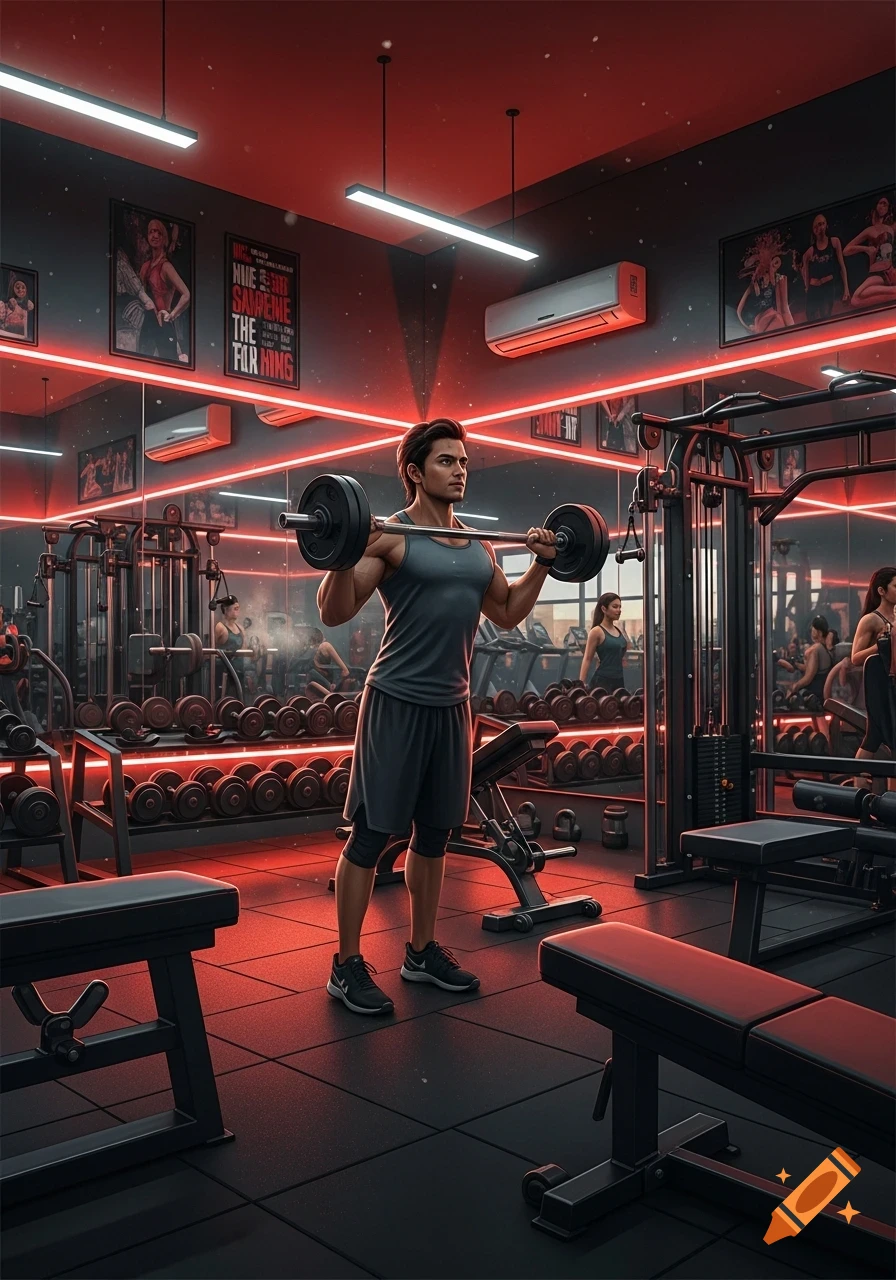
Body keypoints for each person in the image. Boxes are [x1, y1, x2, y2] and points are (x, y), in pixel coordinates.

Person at [319, 417, 560, 1015]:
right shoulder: (391, 538)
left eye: (464, 461)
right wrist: (348, 549)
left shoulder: (478, 543)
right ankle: (346, 965)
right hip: (396, 701)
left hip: (454, 707)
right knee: (373, 835)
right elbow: (334, 610)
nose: (460, 470)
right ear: (415, 472)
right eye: (447, 461)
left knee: (435, 834)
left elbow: (505, 612)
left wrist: (542, 564)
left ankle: (421, 952)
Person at [851, 567, 896, 790]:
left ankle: (890, 802)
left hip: (894, 683)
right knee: (875, 735)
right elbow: (855, 658)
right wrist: (879, 646)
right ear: (882, 590)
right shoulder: (871, 620)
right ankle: (858, 794)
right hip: (879, 685)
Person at [138, 219, 191, 362]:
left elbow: (186, 295)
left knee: (169, 366)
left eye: (158, 232)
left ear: (164, 238)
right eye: (151, 232)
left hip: (163, 324)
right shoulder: (145, 267)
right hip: (147, 323)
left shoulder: (166, 267)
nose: (154, 236)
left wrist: (172, 315)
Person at [844, 195, 896, 309]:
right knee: (855, 300)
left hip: (888, 270)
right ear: (875, 205)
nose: (883, 206)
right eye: (881, 203)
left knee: (856, 298)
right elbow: (846, 250)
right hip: (875, 273)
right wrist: (866, 249)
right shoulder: (869, 231)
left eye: (885, 204)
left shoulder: (891, 228)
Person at [801, 214, 849, 322]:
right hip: (814, 289)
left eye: (823, 223)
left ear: (826, 225)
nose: (821, 227)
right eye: (819, 225)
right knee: (810, 318)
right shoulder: (810, 251)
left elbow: (842, 266)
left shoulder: (834, 242)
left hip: (827, 287)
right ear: (814, 229)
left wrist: (846, 289)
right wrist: (807, 288)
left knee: (825, 317)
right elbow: (805, 269)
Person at [579, 593, 628, 690]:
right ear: (604, 609)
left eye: (619, 607)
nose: (619, 610)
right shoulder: (596, 631)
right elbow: (587, 659)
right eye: (615, 607)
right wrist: (581, 684)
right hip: (602, 682)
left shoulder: (618, 630)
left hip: (619, 680)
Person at [790, 616, 834, 709]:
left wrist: (795, 686)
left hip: (814, 695)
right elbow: (813, 668)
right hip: (822, 692)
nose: (811, 632)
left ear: (818, 632)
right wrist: (797, 665)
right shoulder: (825, 649)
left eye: (812, 629)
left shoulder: (816, 649)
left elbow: (808, 678)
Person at [213, 596, 247, 698]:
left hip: (239, 672)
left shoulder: (240, 628)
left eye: (238, 608)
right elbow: (212, 650)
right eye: (235, 608)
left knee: (240, 699)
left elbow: (245, 650)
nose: (238, 610)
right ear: (226, 610)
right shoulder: (220, 627)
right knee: (224, 700)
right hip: (224, 673)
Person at [302, 626, 349, 698]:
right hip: (313, 691)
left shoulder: (325, 646)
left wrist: (335, 685)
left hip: (326, 691)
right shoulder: (308, 652)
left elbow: (345, 671)